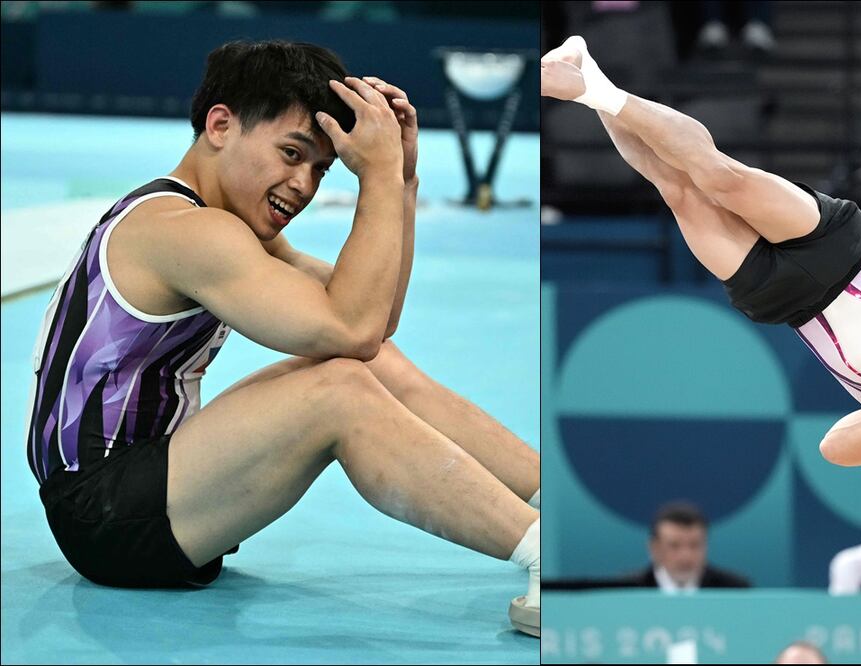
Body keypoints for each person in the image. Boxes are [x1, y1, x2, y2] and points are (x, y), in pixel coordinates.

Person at [26, 40, 540, 637]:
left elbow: (375, 322)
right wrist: (372, 175)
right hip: (105, 515)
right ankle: (544, 555)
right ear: (221, 125)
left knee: (367, 365)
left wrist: (398, 180)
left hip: (147, 492)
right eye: (292, 154)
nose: (303, 185)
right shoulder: (186, 232)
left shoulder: (214, 222)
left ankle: (550, 501)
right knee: (338, 387)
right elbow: (353, 326)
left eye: (321, 169)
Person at [540, 35, 861, 467]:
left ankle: (586, 74)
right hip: (835, 247)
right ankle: (591, 90)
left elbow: (835, 450)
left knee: (676, 189)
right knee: (721, 177)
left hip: (786, 300)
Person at [621, 501, 750, 592]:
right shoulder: (626, 591)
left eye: (694, 545)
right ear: (654, 548)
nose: (686, 556)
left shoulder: (733, 590)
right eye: (674, 546)